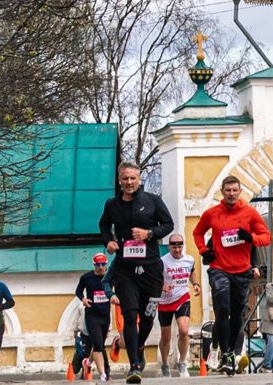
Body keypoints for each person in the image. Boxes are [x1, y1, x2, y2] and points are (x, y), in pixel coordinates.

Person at [102, 160, 179, 384]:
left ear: (139, 179)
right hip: (125, 268)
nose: (129, 182)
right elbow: (104, 225)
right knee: (129, 314)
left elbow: (168, 224)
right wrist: (109, 242)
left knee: (147, 317)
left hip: (152, 268)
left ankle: (140, 345)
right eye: (125, 178)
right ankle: (134, 364)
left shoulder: (152, 201)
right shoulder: (111, 204)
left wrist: (149, 233)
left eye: (132, 178)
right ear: (119, 180)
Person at [196, 175, 273, 374]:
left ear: (240, 192)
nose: (231, 194)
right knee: (222, 308)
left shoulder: (250, 213)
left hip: (242, 271)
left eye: (234, 190)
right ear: (222, 191)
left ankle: (228, 352)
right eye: (228, 190)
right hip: (219, 269)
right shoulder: (212, 213)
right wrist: (204, 250)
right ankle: (227, 353)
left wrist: (250, 237)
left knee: (237, 315)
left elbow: (266, 237)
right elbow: (197, 232)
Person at [158, 232, 198, 377]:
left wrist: (196, 284)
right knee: (166, 337)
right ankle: (164, 364)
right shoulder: (162, 261)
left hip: (182, 297)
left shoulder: (189, 259)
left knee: (184, 331)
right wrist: (162, 287)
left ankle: (182, 363)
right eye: (174, 247)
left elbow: (192, 272)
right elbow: (154, 279)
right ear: (169, 247)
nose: (177, 250)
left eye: (179, 247)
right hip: (165, 301)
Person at [77, 251, 118, 381]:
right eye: (97, 265)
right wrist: (83, 299)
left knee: (98, 344)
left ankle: (88, 363)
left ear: (106, 264)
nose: (100, 267)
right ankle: (103, 375)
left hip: (105, 315)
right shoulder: (86, 277)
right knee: (98, 345)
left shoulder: (109, 277)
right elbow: (78, 290)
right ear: (94, 265)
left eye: (103, 265)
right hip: (92, 315)